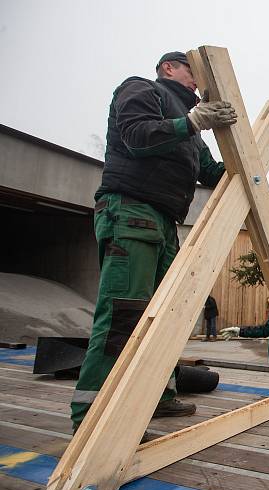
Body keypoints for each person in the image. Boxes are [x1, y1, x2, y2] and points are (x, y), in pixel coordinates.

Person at [70, 51, 237, 434]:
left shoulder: (190, 130)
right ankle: (92, 422)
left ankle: (156, 397)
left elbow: (213, 173)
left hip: (163, 223)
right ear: (169, 68)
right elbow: (138, 137)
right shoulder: (141, 90)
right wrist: (191, 122)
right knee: (123, 317)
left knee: (163, 318)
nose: (199, 81)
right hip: (131, 213)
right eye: (193, 71)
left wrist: (255, 158)